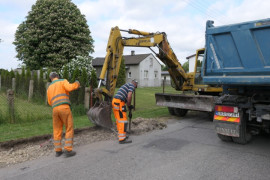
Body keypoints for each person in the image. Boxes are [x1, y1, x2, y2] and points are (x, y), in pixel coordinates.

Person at [47, 72, 80, 157]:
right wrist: (76, 83)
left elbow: (49, 102)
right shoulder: (62, 81)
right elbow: (69, 88)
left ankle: (58, 151)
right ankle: (68, 150)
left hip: (55, 110)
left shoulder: (49, 87)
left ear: (51, 78)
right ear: (57, 76)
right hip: (64, 108)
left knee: (57, 130)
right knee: (69, 127)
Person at [112, 79, 138, 144]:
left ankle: (122, 135)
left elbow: (126, 98)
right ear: (135, 84)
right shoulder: (132, 86)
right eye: (136, 86)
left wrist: (128, 108)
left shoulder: (126, 85)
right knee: (123, 121)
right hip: (119, 102)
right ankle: (122, 139)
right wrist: (129, 106)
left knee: (119, 120)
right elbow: (129, 96)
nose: (134, 89)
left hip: (115, 101)